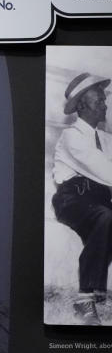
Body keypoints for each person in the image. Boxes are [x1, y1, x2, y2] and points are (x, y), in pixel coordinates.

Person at [52, 72, 112, 325]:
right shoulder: (71, 136)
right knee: (106, 217)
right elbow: (104, 170)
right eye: (98, 100)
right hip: (73, 199)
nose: (105, 104)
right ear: (81, 106)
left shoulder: (107, 139)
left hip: (100, 196)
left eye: (104, 100)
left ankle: (99, 293)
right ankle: (84, 300)